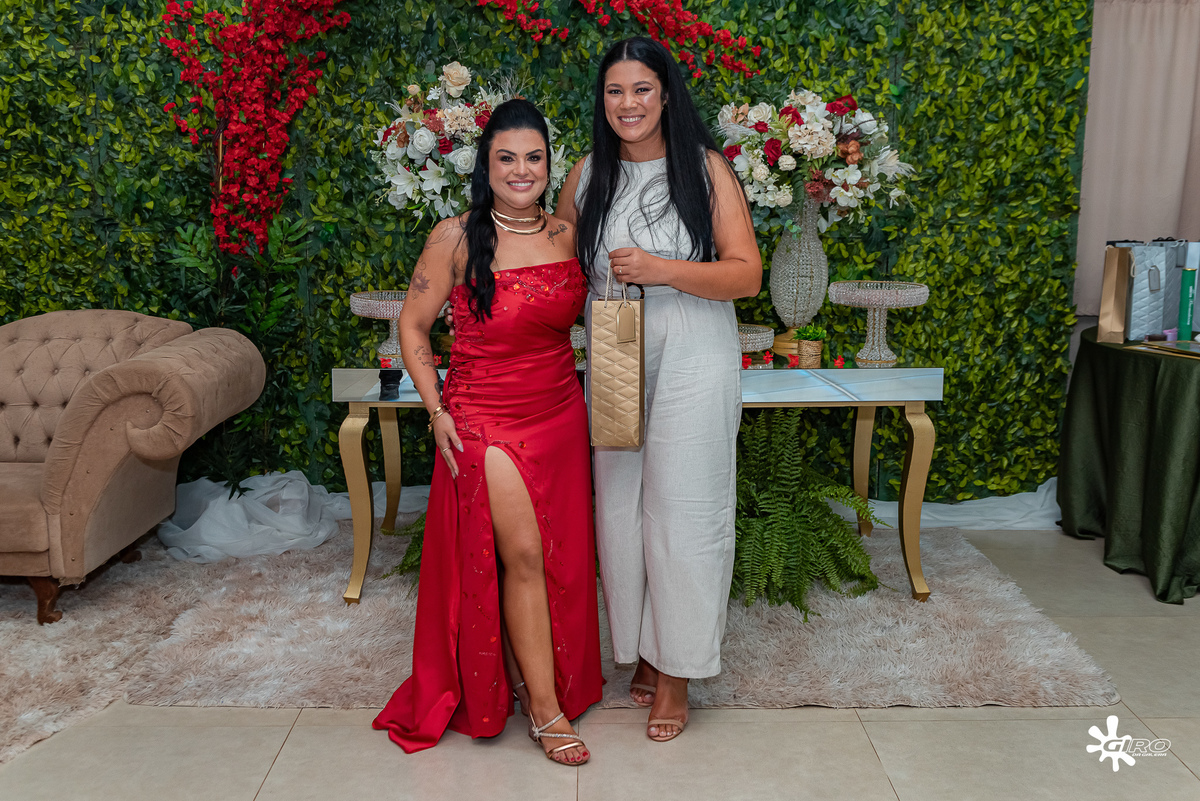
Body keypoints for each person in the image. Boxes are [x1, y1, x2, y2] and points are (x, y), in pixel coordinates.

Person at [373, 98, 602, 765]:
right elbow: (413, 325)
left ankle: (539, 675)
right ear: (486, 165)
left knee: (561, 555)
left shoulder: (568, 235)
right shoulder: (454, 237)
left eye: (534, 157)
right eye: (507, 158)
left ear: (549, 164)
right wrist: (437, 409)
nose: (521, 170)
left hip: (560, 409)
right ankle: (545, 709)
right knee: (524, 553)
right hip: (484, 416)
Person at [556, 37, 762, 743]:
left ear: (666, 94)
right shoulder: (587, 174)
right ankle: (642, 647)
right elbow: (555, 265)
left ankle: (677, 671)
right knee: (619, 507)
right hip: (614, 348)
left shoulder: (705, 169)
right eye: (615, 91)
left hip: (694, 347)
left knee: (685, 506)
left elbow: (746, 275)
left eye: (641, 89)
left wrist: (662, 268)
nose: (628, 103)